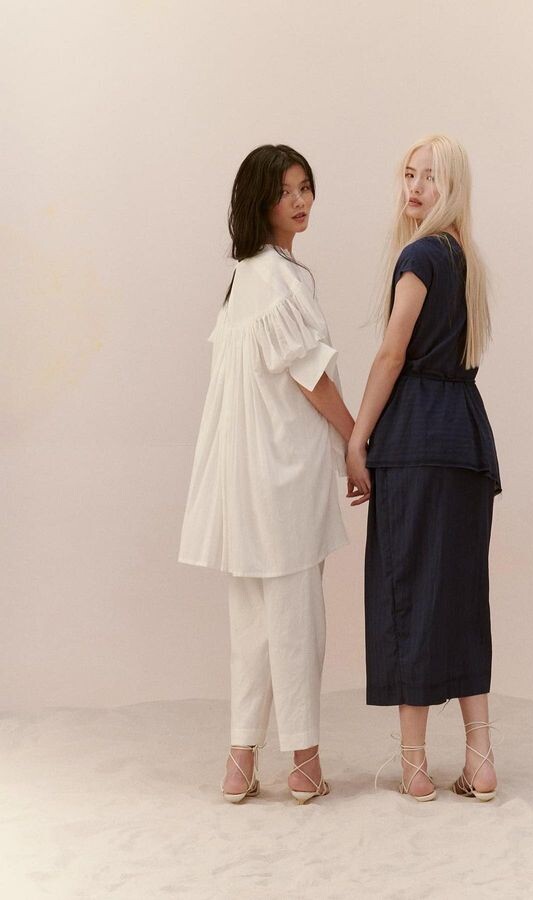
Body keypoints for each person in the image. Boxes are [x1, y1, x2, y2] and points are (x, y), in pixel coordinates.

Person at [179, 144, 354, 804]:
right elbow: (311, 378)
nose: (300, 201)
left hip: (242, 479)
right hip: (283, 474)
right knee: (296, 618)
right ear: (262, 201)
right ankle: (304, 763)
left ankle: (240, 759)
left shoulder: (243, 279)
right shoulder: (279, 278)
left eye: (305, 187)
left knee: (251, 620)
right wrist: (357, 441)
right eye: (286, 192)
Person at [346, 134, 502, 802]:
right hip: (467, 438)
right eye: (409, 175)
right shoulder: (469, 262)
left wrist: (357, 438)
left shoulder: (419, 255)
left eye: (430, 177)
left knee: (406, 588)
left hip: (415, 437)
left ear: (453, 186)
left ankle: (414, 768)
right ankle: (481, 761)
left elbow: (391, 353)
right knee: (463, 596)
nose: (414, 187)